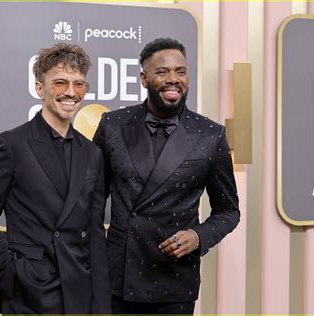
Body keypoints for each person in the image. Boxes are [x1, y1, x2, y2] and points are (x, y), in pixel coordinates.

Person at [93, 37, 240, 314]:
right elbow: (91, 200)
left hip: (174, 279)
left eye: (180, 71)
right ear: (144, 78)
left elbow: (229, 211)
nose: (173, 79)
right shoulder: (113, 125)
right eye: (162, 72)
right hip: (117, 276)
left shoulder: (210, 134)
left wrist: (198, 236)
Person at [0, 43, 111, 314]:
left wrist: (101, 303)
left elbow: (94, 232)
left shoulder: (92, 153)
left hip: (80, 290)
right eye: (60, 82)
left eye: (79, 84)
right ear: (39, 88)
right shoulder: (11, 144)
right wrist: (13, 269)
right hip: (29, 293)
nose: (71, 92)